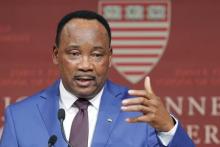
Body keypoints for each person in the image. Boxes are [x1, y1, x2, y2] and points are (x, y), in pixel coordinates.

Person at [0, 10, 195, 147]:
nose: (85, 65)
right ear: (55, 54)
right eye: (74, 53)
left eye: (96, 55)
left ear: (110, 57)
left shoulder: (139, 113)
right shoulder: (20, 117)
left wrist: (168, 128)